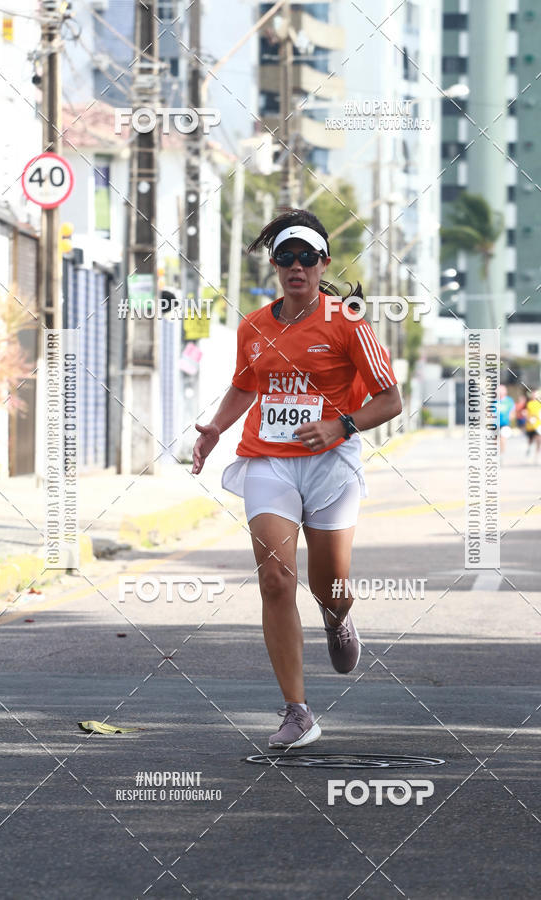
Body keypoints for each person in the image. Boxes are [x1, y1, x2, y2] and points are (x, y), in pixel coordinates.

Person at [191, 209, 401, 749]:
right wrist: (215, 427)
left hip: (333, 462)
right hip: (268, 459)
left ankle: (337, 617)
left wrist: (341, 423)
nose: (296, 266)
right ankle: (297, 710)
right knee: (275, 578)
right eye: (286, 256)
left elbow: (390, 399)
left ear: (323, 263)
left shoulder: (348, 319)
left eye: (307, 257)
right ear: (274, 264)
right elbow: (244, 385)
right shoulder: (254, 327)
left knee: (329, 583)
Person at [524, 389, 541, 462]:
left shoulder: (540, 404)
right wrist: (529, 419)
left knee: (539, 439)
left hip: (538, 424)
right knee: (531, 440)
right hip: (530, 425)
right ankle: (529, 448)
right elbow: (525, 413)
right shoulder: (528, 403)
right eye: (533, 394)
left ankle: (537, 455)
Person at [498, 385, 515, 457]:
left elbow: (512, 411)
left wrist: (511, 417)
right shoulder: (494, 400)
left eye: (502, 390)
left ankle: (501, 454)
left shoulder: (509, 400)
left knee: (502, 438)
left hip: (505, 423)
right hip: (495, 424)